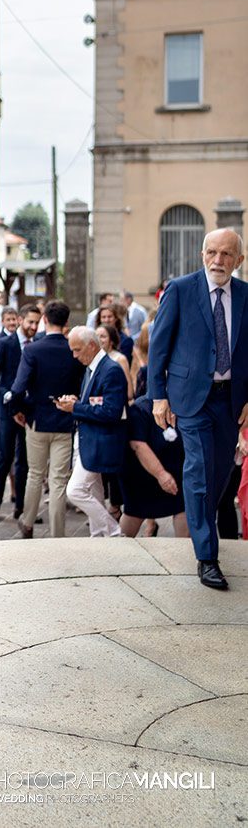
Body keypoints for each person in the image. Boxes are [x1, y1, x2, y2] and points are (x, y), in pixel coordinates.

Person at [148, 228, 248, 590]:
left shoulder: (246, 296)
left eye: (226, 255)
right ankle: (207, 556)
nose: (218, 261)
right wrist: (158, 396)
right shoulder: (180, 289)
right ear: (202, 254)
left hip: (231, 401)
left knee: (220, 474)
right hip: (189, 398)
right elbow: (158, 346)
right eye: (212, 253)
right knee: (199, 469)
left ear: (239, 259)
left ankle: (204, 524)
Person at [9, 300, 84, 538]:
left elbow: (18, 388)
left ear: (45, 320)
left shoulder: (32, 349)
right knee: (59, 480)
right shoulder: (73, 350)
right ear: (66, 322)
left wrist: (19, 410)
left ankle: (28, 521)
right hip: (65, 419)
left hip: (37, 420)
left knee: (35, 473)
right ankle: (58, 534)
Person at [57, 326, 128, 538]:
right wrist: (77, 403)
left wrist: (76, 408)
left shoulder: (110, 369)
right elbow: (95, 404)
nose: (74, 355)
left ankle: (115, 533)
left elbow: (111, 411)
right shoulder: (93, 368)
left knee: (75, 490)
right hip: (88, 440)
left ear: (91, 345)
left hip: (99, 442)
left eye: (77, 350)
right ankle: (98, 537)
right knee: (94, 494)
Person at [0, 304, 41, 522]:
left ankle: (21, 507)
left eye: (37, 323)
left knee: (25, 462)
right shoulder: (5, 344)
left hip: (29, 410)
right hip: (8, 410)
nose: (33, 326)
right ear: (20, 320)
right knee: (4, 458)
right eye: (30, 322)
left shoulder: (37, 344)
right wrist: (7, 395)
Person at [120, 396, 188, 538]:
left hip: (178, 472)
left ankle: (186, 553)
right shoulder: (140, 408)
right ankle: (117, 551)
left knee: (184, 509)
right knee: (133, 515)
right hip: (143, 475)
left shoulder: (182, 402)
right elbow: (138, 445)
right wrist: (161, 474)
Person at [96, 324, 134, 402]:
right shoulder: (94, 359)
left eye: (103, 336)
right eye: (96, 336)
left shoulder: (120, 359)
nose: (99, 340)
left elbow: (129, 392)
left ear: (112, 341)